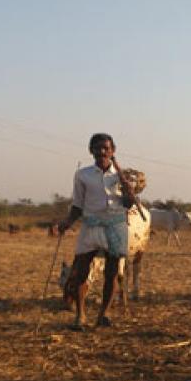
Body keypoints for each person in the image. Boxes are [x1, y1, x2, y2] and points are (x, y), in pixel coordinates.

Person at [58, 133, 138, 330]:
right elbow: (77, 205)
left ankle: (104, 314)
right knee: (80, 272)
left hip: (116, 226)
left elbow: (128, 205)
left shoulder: (122, 175)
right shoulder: (82, 175)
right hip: (91, 226)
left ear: (113, 151)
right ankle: (80, 315)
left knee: (111, 273)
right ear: (91, 150)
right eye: (98, 148)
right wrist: (67, 222)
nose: (102, 151)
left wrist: (129, 191)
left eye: (106, 148)